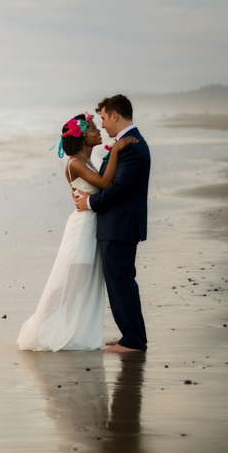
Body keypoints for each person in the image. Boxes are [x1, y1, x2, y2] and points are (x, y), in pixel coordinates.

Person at [18, 112, 138, 352]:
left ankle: (64, 327)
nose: (98, 130)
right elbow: (105, 183)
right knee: (69, 281)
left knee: (80, 283)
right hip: (82, 229)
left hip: (93, 225)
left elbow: (103, 182)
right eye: (92, 128)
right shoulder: (74, 162)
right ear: (81, 136)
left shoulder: (87, 161)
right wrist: (115, 151)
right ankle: (42, 329)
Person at [72, 95, 150, 353]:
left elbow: (120, 188)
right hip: (119, 225)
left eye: (104, 118)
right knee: (122, 282)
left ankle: (133, 341)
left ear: (115, 115)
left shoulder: (130, 145)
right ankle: (132, 335)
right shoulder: (125, 143)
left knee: (121, 283)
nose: (103, 125)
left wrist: (91, 203)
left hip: (121, 226)